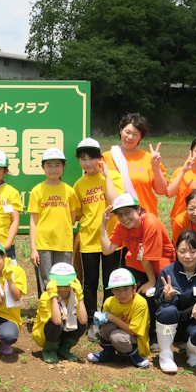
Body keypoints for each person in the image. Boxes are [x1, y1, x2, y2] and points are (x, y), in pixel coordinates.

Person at [74, 138, 123, 342]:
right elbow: (77, 214)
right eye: (83, 159)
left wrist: (107, 177)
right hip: (88, 239)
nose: (87, 163)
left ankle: (108, 319)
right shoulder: (79, 185)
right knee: (90, 283)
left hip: (112, 240)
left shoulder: (112, 177)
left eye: (91, 158)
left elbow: (116, 203)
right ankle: (93, 321)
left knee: (110, 282)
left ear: (100, 159)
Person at [154, 230, 196, 373]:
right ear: (176, 250)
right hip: (172, 325)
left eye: (192, 251)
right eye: (182, 251)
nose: (187, 256)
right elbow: (158, 302)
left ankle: (192, 352)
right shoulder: (167, 272)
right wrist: (167, 298)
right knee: (167, 310)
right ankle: (165, 354)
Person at [28, 147, 81, 295]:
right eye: (49, 165)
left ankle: (63, 314)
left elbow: (71, 218)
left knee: (63, 279)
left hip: (63, 243)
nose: (53, 169)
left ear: (64, 167)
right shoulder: (37, 190)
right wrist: (33, 249)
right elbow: (33, 221)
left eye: (57, 165)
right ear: (42, 167)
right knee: (46, 280)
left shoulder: (69, 191)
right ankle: (47, 315)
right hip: (43, 243)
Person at [100, 194, 175, 296]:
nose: (124, 218)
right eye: (120, 215)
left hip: (160, 268)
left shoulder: (150, 223)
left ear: (138, 209)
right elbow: (107, 250)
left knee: (151, 297)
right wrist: (103, 225)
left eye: (127, 212)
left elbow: (146, 258)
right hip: (139, 265)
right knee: (131, 295)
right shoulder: (121, 226)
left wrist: (151, 282)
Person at [100, 113, 168, 217]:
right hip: (116, 221)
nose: (130, 137)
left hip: (145, 219)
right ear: (120, 131)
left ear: (141, 136)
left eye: (135, 134)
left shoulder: (150, 159)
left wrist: (155, 167)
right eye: (127, 132)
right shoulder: (105, 158)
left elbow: (162, 190)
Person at [86, 268, 151, 368]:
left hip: (135, 339)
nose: (122, 294)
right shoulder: (109, 302)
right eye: (117, 289)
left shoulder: (140, 303)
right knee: (107, 327)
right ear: (112, 290)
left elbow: (133, 331)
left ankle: (134, 357)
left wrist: (111, 317)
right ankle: (108, 353)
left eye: (126, 289)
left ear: (134, 288)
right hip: (119, 333)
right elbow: (106, 324)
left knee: (116, 337)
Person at [32, 262, 87, 364]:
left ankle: (64, 348)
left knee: (82, 324)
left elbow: (83, 320)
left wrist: (80, 297)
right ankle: (49, 350)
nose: (63, 283)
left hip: (63, 330)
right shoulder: (46, 297)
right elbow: (56, 321)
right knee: (57, 325)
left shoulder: (74, 296)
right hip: (44, 334)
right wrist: (53, 297)